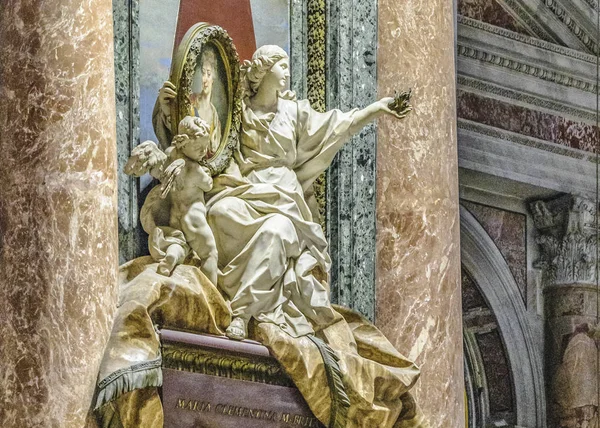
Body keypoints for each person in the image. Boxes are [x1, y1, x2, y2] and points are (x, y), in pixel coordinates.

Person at [157, 45, 409, 340]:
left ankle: (241, 312)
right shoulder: (240, 111)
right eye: (282, 65)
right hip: (246, 190)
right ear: (264, 72)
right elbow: (199, 141)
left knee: (275, 234)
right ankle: (217, 292)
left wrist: (376, 109)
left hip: (285, 200)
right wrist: (167, 110)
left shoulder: (295, 111)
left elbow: (339, 125)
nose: (287, 72)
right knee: (218, 213)